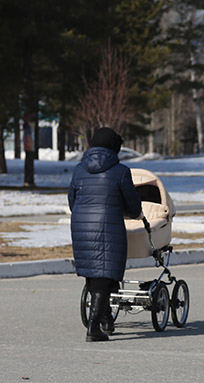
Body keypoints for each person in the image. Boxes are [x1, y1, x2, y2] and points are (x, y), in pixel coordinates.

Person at [68, 127, 142, 342]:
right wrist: (134, 214)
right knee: (105, 273)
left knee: (94, 273)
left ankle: (106, 318)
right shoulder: (120, 171)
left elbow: (72, 199)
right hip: (108, 226)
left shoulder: (78, 170)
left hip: (81, 225)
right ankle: (94, 327)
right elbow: (132, 204)